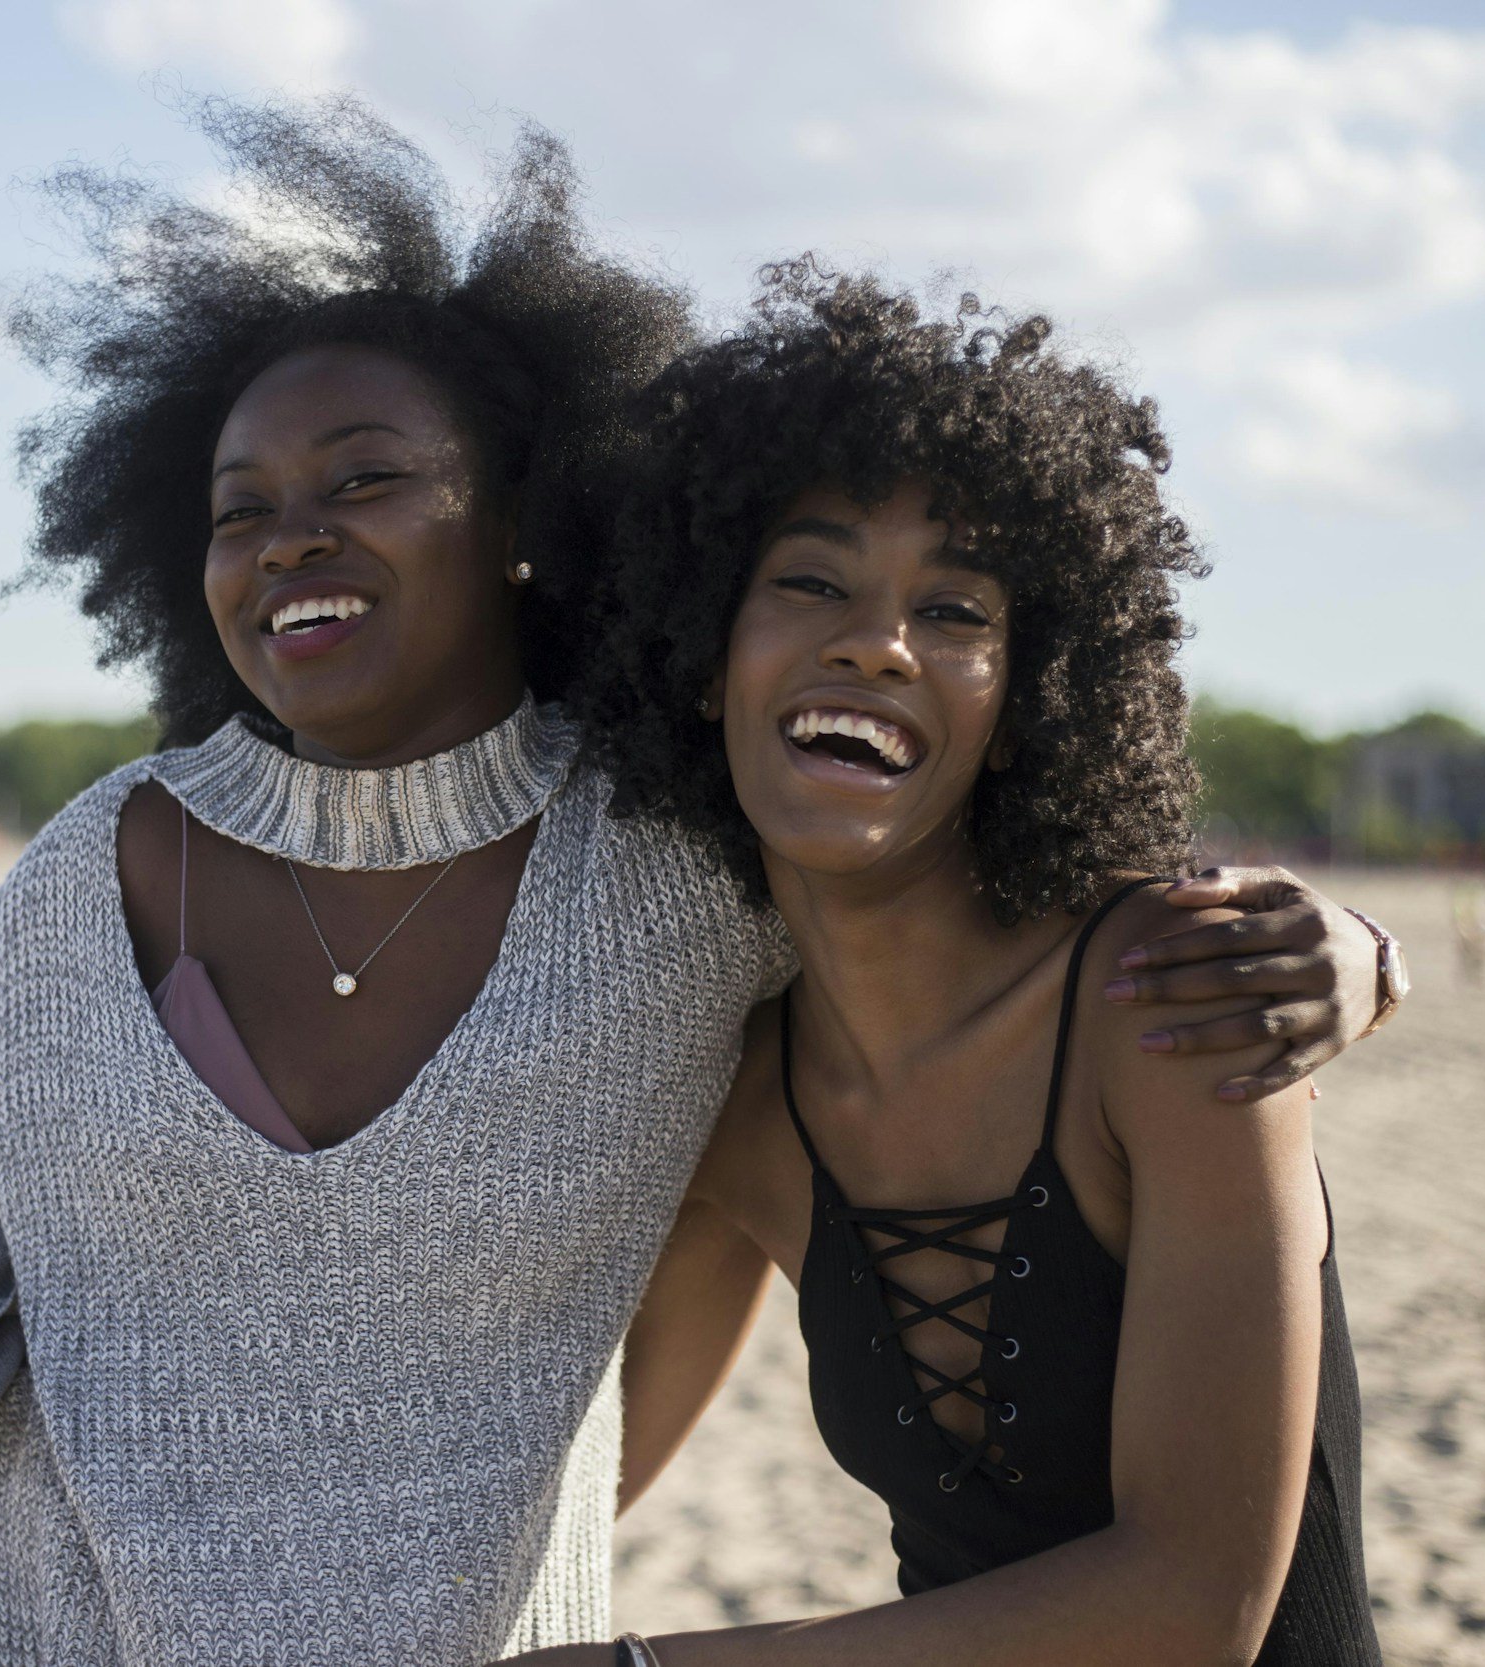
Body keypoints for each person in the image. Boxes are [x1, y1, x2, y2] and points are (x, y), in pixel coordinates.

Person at [0, 108, 1390, 1667]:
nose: (291, 541)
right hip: (2, 1609)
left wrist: (1354, 955)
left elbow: (963, 917)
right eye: (239, 508)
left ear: (525, 529)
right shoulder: (90, 878)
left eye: (364, 479)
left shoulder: (680, 884)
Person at [541, 266, 1383, 1666]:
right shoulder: (742, 1107)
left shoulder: (1169, 1000)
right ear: (701, 655)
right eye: (810, 581)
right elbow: (565, 1487)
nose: (875, 641)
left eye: (956, 613)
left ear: (1029, 693)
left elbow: (1194, 1606)